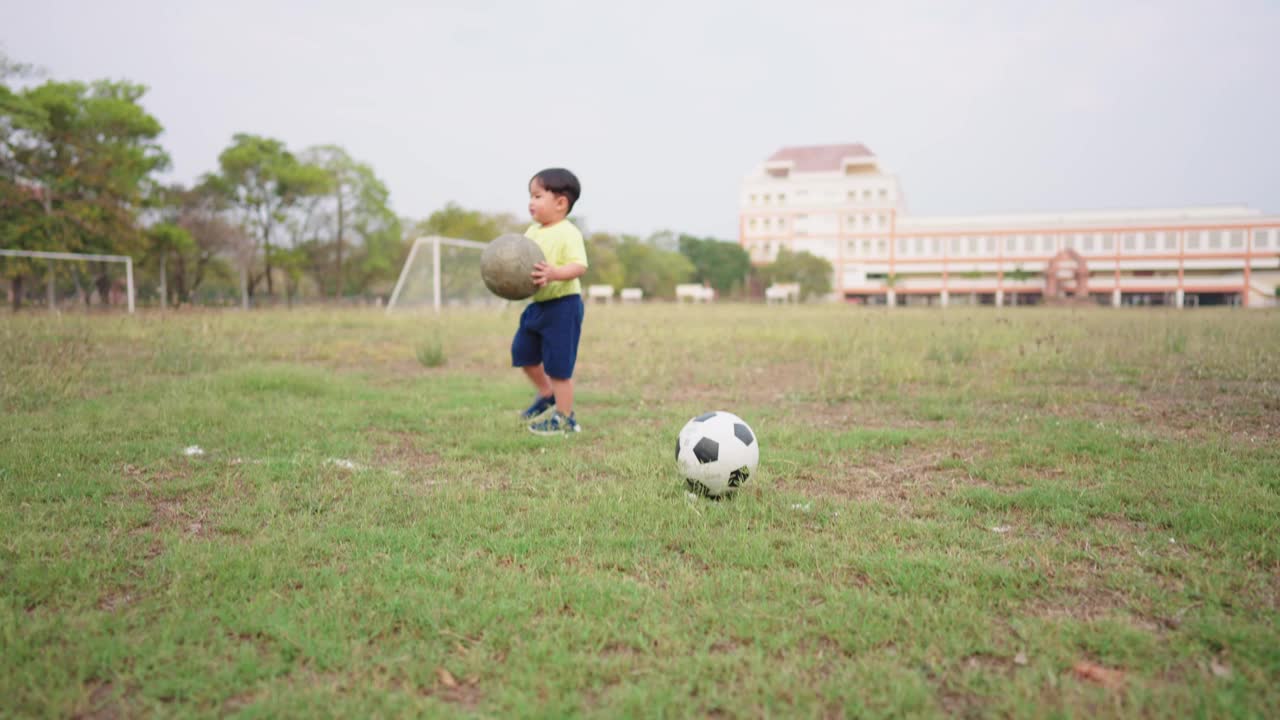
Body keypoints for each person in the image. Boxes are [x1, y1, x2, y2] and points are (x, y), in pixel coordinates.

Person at [513, 168, 587, 435]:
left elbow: (579, 266)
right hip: (537, 305)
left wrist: (555, 273)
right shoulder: (532, 231)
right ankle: (547, 395)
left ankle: (566, 419)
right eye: (530, 196)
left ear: (560, 202)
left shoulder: (568, 232)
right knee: (523, 354)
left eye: (537, 196)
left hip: (563, 306)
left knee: (559, 368)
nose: (531, 202)